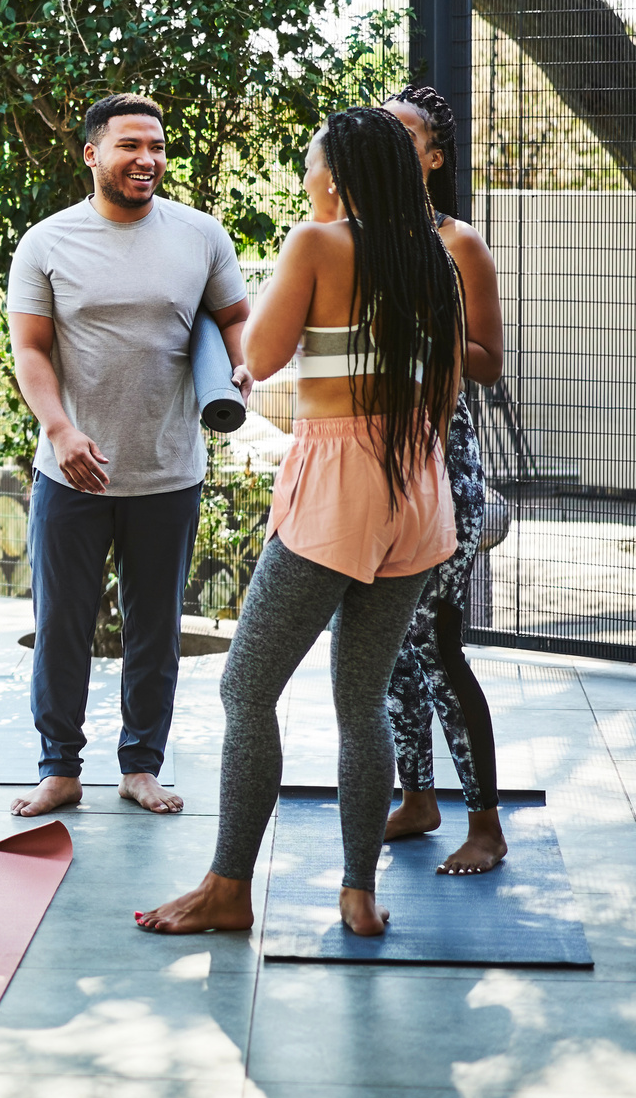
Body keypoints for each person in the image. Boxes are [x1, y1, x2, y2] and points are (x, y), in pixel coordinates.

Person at [136, 106, 464, 938]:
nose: (306, 178)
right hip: (417, 487)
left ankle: (228, 886)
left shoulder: (317, 242)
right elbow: (448, 388)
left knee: (246, 687)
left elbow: (262, 356)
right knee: (362, 700)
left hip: (338, 486)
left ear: (338, 177)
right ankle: (357, 892)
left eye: (313, 164)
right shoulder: (435, 255)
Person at [6, 94, 251, 818]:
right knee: (61, 629)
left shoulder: (200, 235)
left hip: (169, 471)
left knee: (155, 632)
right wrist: (59, 430)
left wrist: (240, 366)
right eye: (130, 145)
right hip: (70, 473)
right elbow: (30, 350)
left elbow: (235, 320)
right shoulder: (46, 242)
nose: (148, 159)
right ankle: (59, 768)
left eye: (157, 146)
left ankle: (142, 766)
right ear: (92, 154)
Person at [381, 83, 509, 875]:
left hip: (443, 465)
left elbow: (488, 363)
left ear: (433, 157)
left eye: (407, 135)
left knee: (435, 639)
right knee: (389, 644)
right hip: (372, 466)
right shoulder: (349, 239)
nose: (391, 145)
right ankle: (418, 797)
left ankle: (485, 822)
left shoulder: (459, 243)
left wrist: (424, 330)